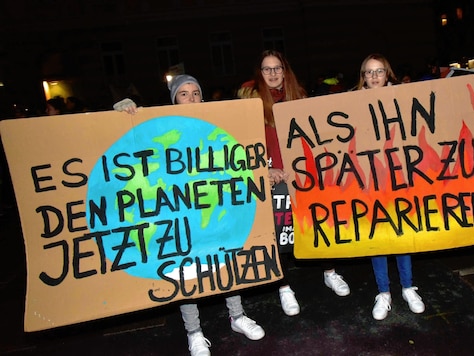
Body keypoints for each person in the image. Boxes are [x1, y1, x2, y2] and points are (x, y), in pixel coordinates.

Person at [114, 74, 265, 356]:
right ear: (173, 99)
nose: (191, 98)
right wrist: (125, 114)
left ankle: (237, 316)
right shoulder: (161, 129)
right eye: (184, 94)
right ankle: (194, 332)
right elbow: (130, 143)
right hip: (180, 217)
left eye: (196, 93)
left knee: (226, 264)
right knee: (185, 271)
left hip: (214, 212)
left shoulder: (214, 127)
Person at [237, 49, 351, 317]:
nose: (273, 73)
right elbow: (243, 139)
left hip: (301, 177)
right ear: (259, 73)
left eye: (277, 68)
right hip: (272, 178)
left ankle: (330, 272)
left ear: (285, 70)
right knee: (279, 234)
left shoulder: (298, 96)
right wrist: (266, 169)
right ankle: (284, 287)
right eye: (267, 69)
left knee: (315, 225)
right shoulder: (250, 102)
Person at [354, 53, 426, 320]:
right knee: (379, 238)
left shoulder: (403, 100)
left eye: (379, 71)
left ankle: (408, 287)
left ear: (388, 74)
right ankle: (383, 292)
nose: (374, 77)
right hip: (369, 182)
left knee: (402, 234)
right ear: (362, 77)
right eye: (368, 72)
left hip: (399, 179)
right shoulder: (350, 104)